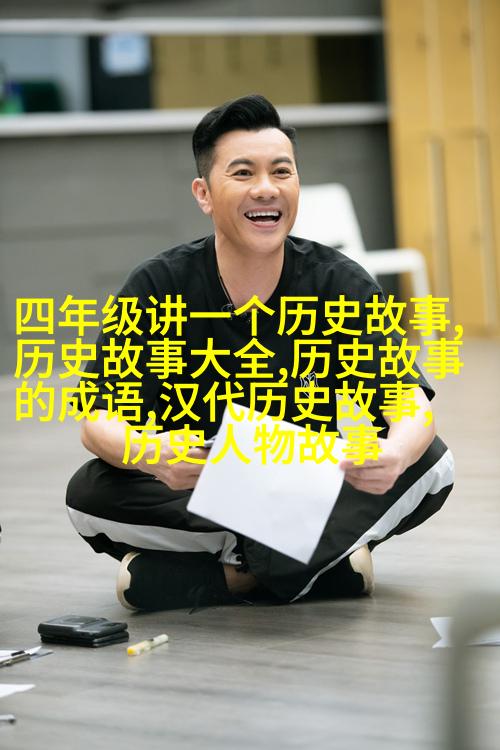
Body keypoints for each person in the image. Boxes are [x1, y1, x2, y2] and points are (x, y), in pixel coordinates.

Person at [66, 94, 454, 611]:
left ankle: (232, 577)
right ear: (204, 194)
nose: (266, 188)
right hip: (197, 487)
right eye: (243, 173)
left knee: (430, 461)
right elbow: (98, 422)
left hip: (306, 486)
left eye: (281, 171)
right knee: (88, 493)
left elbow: (407, 404)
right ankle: (320, 565)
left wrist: (394, 454)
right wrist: (151, 453)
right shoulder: (157, 286)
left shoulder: (339, 283)